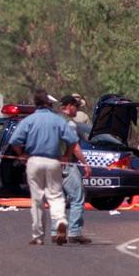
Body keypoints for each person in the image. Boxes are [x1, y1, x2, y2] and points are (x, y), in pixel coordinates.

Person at [9, 89, 78, 245]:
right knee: (55, 195)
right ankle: (61, 220)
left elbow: (14, 141)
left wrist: (22, 154)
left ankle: (38, 236)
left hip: (34, 161)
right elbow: (72, 140)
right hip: (53, 161)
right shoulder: (58, 120)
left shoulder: (29, 120)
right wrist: (66, 155)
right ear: (48, 103)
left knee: (37, 199)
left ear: (36, 103)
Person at [49, 95, 93, 244]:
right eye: (77, 106)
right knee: (77, 198)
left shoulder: (52, 119)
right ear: (69, 106)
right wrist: (85, 163)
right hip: (66, 164)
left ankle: (55, 231)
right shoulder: (70, 124)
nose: (78, 110)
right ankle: (74, 232)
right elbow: (74, 146)